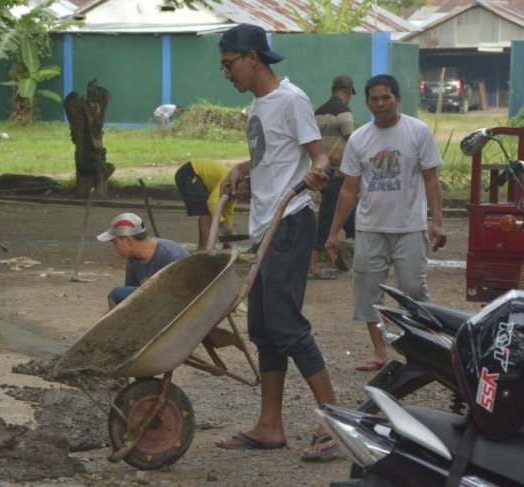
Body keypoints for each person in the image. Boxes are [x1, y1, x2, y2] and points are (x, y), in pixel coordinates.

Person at [213, 23, 340, 461]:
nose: (227, 73)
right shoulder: (257, 107)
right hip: (266, 224)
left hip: (290, 220)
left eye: (229, 65)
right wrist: (241, 170)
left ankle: (336, 423)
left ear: (252, 57)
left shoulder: (292, 99)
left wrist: (318, 172)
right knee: (264, 330)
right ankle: (270, 426)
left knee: (286, 325)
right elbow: (270, 156)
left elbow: (317, 152)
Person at [325, 74, 447, 372]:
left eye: (386, 98)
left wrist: (437, 222)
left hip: (409, 226)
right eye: (374, 99)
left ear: (398, 99)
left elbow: (431, 179)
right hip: (370, 228)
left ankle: (422, 349)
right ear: (366, 102)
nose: (380, 104)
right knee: (367, 293)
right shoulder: (359, 138)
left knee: (413, 290)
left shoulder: (417, 131)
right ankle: (380, 352)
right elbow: (349, 189)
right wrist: (333, 232)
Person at [308, 75, 357, 280]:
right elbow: (353, 142)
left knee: (350, 217)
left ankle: (342, 260)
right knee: (329, 218)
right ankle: (311, 267)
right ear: (348, 92)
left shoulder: (318, 112)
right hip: (338, 173)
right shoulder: (344, 112)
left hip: (321, 173)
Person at [97, 212, 189, 308]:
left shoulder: (170, 255)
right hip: (160, 304)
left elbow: (180, 296)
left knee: (116, 294)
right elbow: (130, 300)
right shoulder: (133, 259)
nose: (115, 247)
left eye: (115, 242)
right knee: (120, 297)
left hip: (181, 305)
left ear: (129, 240)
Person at [175, 159, 237, 250]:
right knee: (207, 210)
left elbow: (227, 211)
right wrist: (222, 225)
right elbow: (212, 202)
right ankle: (204, 248)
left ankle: (207, 246)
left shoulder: (235, 191)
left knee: (210, 211)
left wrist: (227, 238)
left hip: (195, 174)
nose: (243, 197)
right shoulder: (229, 182)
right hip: (189, 173)